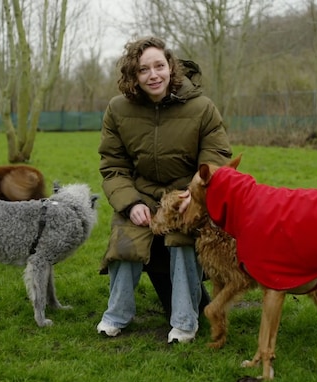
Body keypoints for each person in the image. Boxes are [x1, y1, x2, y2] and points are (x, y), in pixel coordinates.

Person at [96, 36, 232, 343]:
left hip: (186, 195)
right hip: (141, 193)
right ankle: (116, 316)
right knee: (125, 244)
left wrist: (193, 197)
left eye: (159, 66)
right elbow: (113, 165)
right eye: (144, 69)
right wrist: (130, 203)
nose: (153, 75)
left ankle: (185, 323)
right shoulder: (118, 109)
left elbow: (216, 158)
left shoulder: (202, 108)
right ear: (134, 75)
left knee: (181, 243)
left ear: (171, 67)